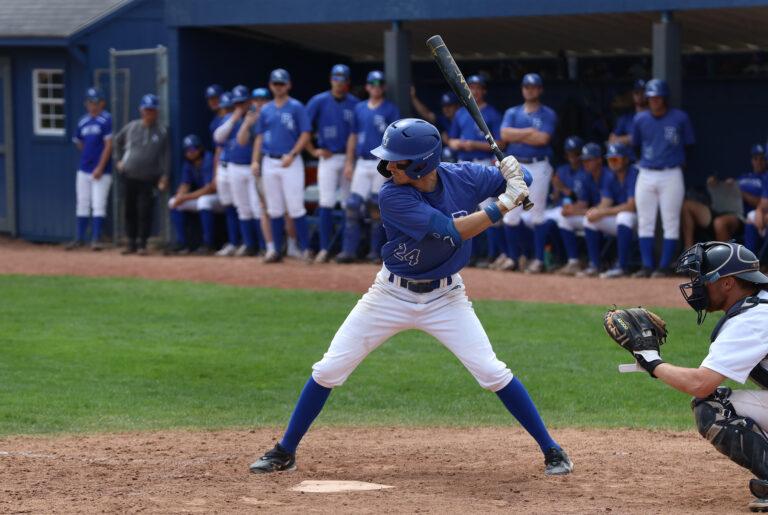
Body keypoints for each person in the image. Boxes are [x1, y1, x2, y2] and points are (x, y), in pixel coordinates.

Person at [247, 118, 573, 477]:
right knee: (328, 369)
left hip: (446, 297)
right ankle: (285, 451)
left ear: (423, 163)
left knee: (492, 372)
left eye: (397, 161)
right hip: (390, 294)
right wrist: (502, 206)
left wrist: (516, 171)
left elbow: (521, 179)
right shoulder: (392, 194)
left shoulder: (463, 175)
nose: (388, 167)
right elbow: (450, 233)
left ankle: (553, 450)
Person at [629, 241, 768, 512]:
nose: (696, 286)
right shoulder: (760, 306)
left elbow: (700, 385)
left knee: (713, 407)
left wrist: (650, 360)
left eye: (703, 279)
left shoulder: (752, 320)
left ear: (727, 283)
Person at [631, 78, 695, 278]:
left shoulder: (680, 117)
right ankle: (647, 265)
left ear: (664, 98)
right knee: (645, 220)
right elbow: (635, 146)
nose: (654, 100)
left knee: (670, 221)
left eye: (658, 97)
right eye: (651, 97)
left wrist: (680, 160)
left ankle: (664, 266)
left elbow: (690, 145)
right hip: (647, 172)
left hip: (671, 172)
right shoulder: (640, 119)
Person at [335, 70, 401, 264]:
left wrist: (393, 166)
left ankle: (375, 252)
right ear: (366, 87)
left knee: (376, 205)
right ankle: (349, 250)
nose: (376, 87)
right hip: (362, 161)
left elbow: (396, 138)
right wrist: (349, 162)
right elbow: (352, 136)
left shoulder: (390, 109)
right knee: (353, 205)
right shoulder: (359, 108)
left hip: (381, 162)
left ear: (384, 87)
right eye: (372, 84)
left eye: (379, 83)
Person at [252, 68, 313, 263]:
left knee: (295, 207)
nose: (278, 87)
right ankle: (277, 250)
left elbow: (305, 133)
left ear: (288, 85)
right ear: (271, 85)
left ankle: (306, 250)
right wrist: (255, 160)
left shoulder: (296, 106)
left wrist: (293, 153)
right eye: (275, 84)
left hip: (290, 160)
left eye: (281, 83)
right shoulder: (266, 109)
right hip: (270, 160)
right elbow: (259, 137)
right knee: (275, 209)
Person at [500, 73, 557, 274]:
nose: (529, 90)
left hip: (539, 164)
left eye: (533, 87)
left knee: (537, 215)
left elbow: (543, 140)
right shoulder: (513, 112)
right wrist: (529, 132)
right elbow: (505, 135)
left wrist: (519, 134)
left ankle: (539, 260)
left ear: (540, 90)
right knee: (510, 215)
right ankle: (513, 258)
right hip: (516, 166)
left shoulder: (548, 113)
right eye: (526, 86)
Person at [447, 75, 505, 269]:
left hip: (483, 164)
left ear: (484, 91)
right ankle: (468, 255)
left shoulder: (492, 114)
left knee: (490, 210)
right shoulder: (460, 114)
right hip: (463, 164)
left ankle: (495, 254)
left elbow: (501, 143)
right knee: (464, 211)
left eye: (478, 88)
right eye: (471, 87)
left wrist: (474, 144)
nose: (475, 91)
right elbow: (451, 140)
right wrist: (457, 144)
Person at [305, 64, 360, 263]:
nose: (339, 81)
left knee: (347, 203)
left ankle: (344, 250)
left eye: (343, 78)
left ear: (347, 82)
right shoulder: (319, 100)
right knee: (326, 201)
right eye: (336, 77)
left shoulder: (354, 103)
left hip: (347, 158)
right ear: (330, 79)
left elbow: (357, 133)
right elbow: (303, 128)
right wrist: (312, 150)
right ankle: (323, 249)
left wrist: (350, 161)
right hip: (327, 157)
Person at [214, 84, 267, 257]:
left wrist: (249, 120)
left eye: (243, 103)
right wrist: (234, 118)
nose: (240, 106)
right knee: (242, 208)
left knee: (257, 207)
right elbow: (218, 137)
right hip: (234, 167)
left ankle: (263, 245)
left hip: (252, 167)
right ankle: (249, 244)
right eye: (237, 104)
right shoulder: (230, 119)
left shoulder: (257, 117)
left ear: (249, 101)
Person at [114, 93, 170, 255]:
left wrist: (165, 175)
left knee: (145, 210)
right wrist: (118, 160)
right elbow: (117, 142)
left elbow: (166, 155)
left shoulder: (162, 131)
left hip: (150, 177)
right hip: (130, 175)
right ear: (141, 110)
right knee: (130, 209)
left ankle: (142, 243)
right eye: (146, 110)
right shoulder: (131, 127)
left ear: (157, 111)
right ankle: (131, 241)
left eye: (152, 110)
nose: (148, 113)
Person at [683, 144, 766, 250]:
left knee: (720, 222)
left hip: (741, 216)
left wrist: (741, 192)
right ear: (751, 160)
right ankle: (688, 251)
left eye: (761, 159)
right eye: (755, 159)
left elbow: (762, 203)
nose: (758, 162)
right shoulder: (743, 177)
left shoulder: (764, 179)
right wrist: (717, 185)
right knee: (687, 206)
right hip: (721, 209)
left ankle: (725, 261)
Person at [581, 142, 638, 278]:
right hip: (623, 221)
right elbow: (606, 203)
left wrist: (602, 212)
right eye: (610, 159)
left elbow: (631, 206)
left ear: (626, 160)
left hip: (641, 221)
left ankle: (621, 266)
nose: (613, 162)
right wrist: (594, 211)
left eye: (616, 159)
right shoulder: (611, 176)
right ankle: (595, 264)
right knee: (589, 220)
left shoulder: (633, 174)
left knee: (624, 216)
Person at [67, 87, 113, 251]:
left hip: (102, 170)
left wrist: (100, 166)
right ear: (86, 103)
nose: (93, 105)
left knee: (99, 203)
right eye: (90, 102)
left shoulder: (106, 119)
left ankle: (96, 239)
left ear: (102, 103)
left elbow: (109, 145)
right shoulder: (83, 121)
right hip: (84, 168)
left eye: (96, 102)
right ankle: (80, 237)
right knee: (82, 202)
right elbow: (79, 143)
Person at [555, 142, 611, 276]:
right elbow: (582, 203)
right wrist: (571, 209)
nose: (585, 163)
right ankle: (573, 262)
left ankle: (594, 264)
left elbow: (604, 207)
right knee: (564, 219)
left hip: (612, 214)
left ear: (599, 160)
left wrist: (577, 211)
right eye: (584, 160)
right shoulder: (588, 177)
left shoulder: (608, 175)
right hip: (597, 214)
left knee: (588, 220)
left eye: (589, 160)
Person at [165, 134, 219, 255]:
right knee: (173, 202)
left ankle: (208, 244)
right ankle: (182, 243)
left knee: (204, 201)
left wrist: (185, 197)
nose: (190, 153)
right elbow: (185, 185)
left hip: (219, 198)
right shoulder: (188, 164)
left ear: (200, 149)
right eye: (187, 150)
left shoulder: (208, 159)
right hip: (202, 197)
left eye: (193, 149)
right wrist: (179, 196)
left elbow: (209, 189)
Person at [212, 91, 243, 257]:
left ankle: (246, 242)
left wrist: (237, 117)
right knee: (229, 206)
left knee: (242, 207)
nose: (226, 111)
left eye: (230, 108)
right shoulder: (226, 121)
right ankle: (233, 242)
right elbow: (218, 139)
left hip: (236, 166)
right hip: (223, 168)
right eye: (224, 108)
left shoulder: (244, 120)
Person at [608, 79, 647, 146]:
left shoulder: (655, 116)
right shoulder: (627, 118)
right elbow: (611, 141)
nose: (640, 95)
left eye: (643, 92)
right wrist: (634, 138)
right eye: (637, 92)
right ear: (632, 94)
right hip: (630, 156)